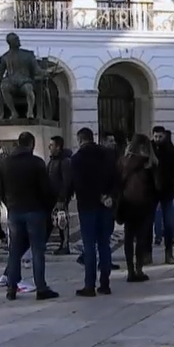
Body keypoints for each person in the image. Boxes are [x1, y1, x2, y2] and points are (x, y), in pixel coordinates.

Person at [0, 131, 58, 300]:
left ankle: (11, 287)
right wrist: (47, 207)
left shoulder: (4, 163)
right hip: (35, 211)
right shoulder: (37, 163)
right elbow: (46, 189)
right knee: (37, 251)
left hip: (15, 211)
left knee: (14, 251)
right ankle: (41, 287)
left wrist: (9, 205)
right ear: (31, 144)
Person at [69, 127, 119, 296]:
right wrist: (108, 196)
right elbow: (116, 178)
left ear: (80, 140)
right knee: (104, 243)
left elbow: (78, 184)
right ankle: (105, 283)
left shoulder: (76, 159)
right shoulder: (108, 155)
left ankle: (89, 285)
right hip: (106, 204)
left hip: (87, 206)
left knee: (89, 246)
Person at [117, 134, 161, 282]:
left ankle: (130, 271)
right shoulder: (150, 163)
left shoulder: (123, 162)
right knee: (142, 237)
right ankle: (139, 269)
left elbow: (118, 183)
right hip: (145, 204)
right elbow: (157, 186)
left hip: (127, 203)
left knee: (128, 237)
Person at [151, 125, 174, 265]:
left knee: (169, 223)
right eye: (155, 136)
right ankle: (147, 254)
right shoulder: (149, 151)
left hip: (168, 192)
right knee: (148, 223)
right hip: (151, 192)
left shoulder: (172, 151)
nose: (157, 139)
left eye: (160, 136)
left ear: (165, 136)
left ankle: (169, 253)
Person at [47, 136, 73, 255]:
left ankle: (65, 244)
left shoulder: (64, 161)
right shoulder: (52, 160)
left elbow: (66, 181)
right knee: (53, 221)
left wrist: (62, 198)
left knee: (62, 221)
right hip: (51, 197)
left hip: (60, 198)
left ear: (58, 147)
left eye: (51, 145)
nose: (49, 147)